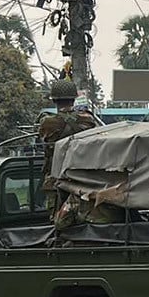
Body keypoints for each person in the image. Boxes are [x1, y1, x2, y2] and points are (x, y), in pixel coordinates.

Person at [39, 79, 97, 219]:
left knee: (57, 216)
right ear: (74, 99)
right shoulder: (87, 119)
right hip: (83, 176)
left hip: (56, 176)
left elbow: (44, 144)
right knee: (84, 213)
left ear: (54, 100)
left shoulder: (48, 122)